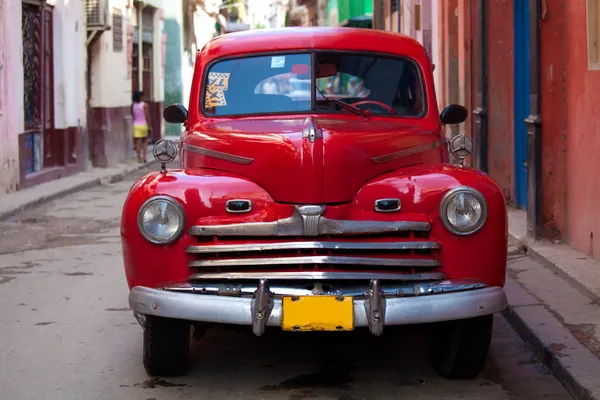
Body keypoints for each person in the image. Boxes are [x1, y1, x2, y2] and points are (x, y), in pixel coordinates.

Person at [131, 90, 152, 163]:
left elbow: (133, 115)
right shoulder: (144, 105)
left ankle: (139, 158)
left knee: (137, 143)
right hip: (143, 125)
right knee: (144, 142)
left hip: (136, 125)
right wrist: (149, 126)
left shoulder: (133, 105)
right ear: (141, 97)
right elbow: (147, 116)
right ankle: (145, 157)